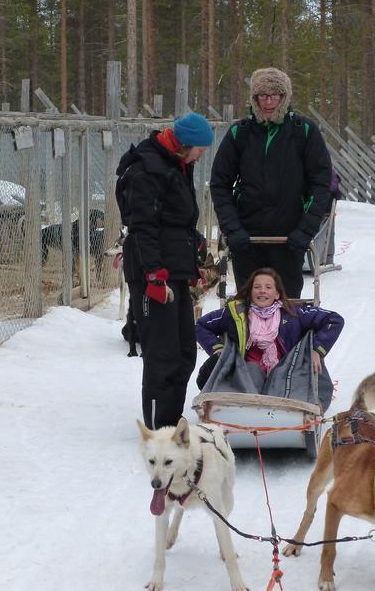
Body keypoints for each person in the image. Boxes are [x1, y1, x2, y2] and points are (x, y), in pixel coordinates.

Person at [115, 111, 214, 429]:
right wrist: (154, 273)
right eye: (200, 148)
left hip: (175, 271)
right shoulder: (148, 169)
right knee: (162, 354)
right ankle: (160, 426)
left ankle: (171, 417)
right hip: (153, 274)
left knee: (185, 350)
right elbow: (143, 225)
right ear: (185, 143)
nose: (202, 154)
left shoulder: (177, 164)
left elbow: (176, 221)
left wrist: (192, 255)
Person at [209, 67, 332, 299]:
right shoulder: (240, 133)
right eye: (262, 96)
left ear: (284, 98)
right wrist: (232, 229)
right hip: (248, 239)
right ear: (254, 99)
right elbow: (220, 184)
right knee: (249, 302)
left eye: (275, 96)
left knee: (287, 303)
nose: (268, 102)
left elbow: (321, 184)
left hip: (289, 239)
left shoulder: (303, 132)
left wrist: (305, 231)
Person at [195, 267, 343, 390]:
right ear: (250, 292)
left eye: (268, 287)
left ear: (277, 294)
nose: (262, 291)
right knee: (252, 370)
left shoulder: (293, 314)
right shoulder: (236, 314)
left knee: (279, 376)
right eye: (257, 287)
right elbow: (201, 326)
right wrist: (217, 347)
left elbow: (334, 320)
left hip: (284, 372)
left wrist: (317, 350)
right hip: (246, 375)